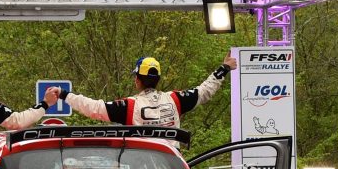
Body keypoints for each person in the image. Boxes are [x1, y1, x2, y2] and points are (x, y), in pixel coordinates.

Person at [53, 52, 237, 130]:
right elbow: (204, 91)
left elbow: (93, 108)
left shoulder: (129, 106)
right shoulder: (175, 99)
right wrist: (223, 69)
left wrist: (64, 94)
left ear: (137, 80)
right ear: (158, 80)